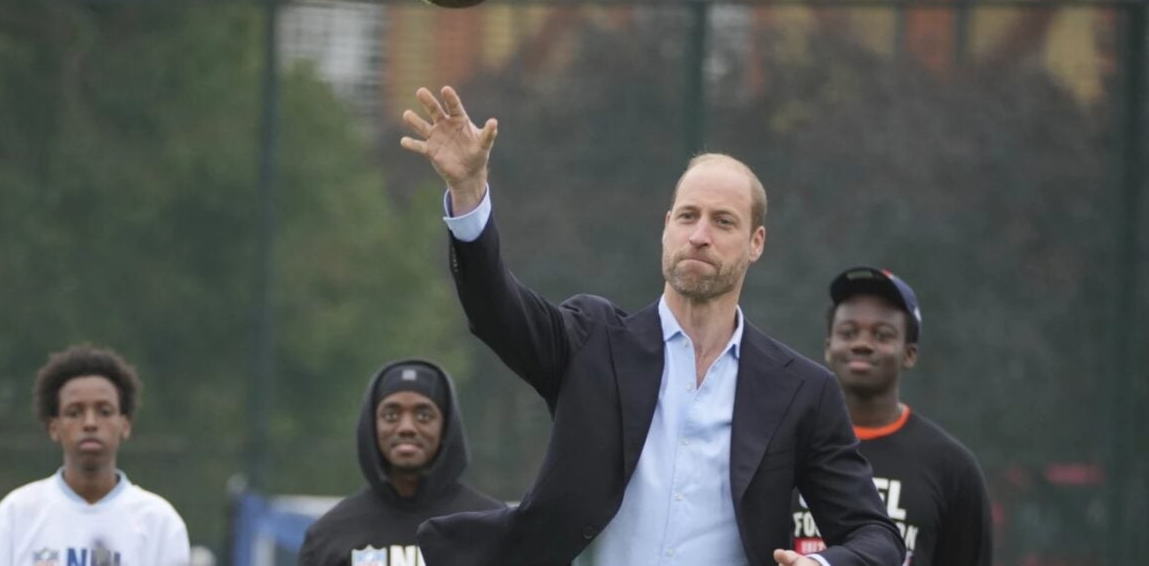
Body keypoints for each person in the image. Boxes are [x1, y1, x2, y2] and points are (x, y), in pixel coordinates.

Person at [398, 85, 904, 566]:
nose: (700, 235)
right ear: (666, 228)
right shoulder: (592, 342)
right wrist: (468, 192)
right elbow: (494, 309)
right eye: (688, 216)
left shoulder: (802, 392)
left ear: (756, 242)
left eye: (723, 222)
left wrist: (820, 562)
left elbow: (876, 537)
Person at [791, 266, 993, 565]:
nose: (862, 343)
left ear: (909, 353)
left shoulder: (952, 467)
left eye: (882, 335)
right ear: (828, 347)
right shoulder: (785, 447)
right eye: (848, 333)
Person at [0, 344, 190, 566]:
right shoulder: (15, 514)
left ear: (125, 424)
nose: (90, 423)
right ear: (54, 427)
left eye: (104, 411)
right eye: (74, 412)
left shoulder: (160, 522)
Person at [298, 359, 504, 566]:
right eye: (391, 415)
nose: (406, 427)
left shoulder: (491, 527)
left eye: (424, 415)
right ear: (372, 426)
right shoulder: (330, 533)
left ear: (446, 427)